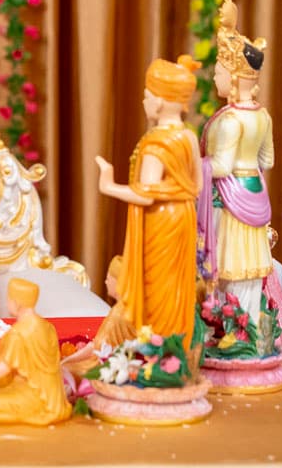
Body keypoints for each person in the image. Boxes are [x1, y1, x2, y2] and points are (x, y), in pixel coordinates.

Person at [95, 56, 201, 346]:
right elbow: (197, 185)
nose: (144, 101)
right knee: (176, 285)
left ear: (161, 101)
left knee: (158, 287)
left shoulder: (156, 143)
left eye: (147, 96)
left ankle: (158, 352)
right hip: (184, 217)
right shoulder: (189, 137)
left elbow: (145, 194)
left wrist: (109, 185)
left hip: (161, 222)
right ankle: (175, 349)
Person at [199, 0, 276, 324]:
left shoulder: (230, 121)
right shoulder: (262, 116)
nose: (214, 77)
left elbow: (220, 168)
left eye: (218, 71)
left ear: (232, 78)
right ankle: (245, 329)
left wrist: (193, 162)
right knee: (247, 271)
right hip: (254, 194)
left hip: (230, 204)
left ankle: (236, 331)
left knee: (230, 268)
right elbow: (267, 161)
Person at [0, 278, 71, 426]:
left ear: (17, 303)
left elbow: (4, 368)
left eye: (9, 299)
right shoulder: (48, 327)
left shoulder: (19, 333)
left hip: (32, 398)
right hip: (55, 399)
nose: (7, 303)